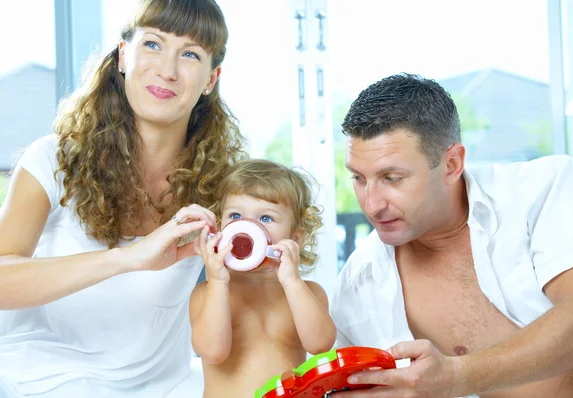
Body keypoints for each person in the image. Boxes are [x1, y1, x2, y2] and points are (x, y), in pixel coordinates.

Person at [0, 1, 246, 397]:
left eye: (189, 54)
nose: (167, 69)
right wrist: (129, 258)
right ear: (122, 56)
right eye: (153, 44)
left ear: (210, 79)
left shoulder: (224, 187)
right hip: (34, 383)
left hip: (162, 389)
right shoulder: (52, 160)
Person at [330, 73, 573, 397]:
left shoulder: (543, 191)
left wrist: (455, 378)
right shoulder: (356, 288)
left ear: (451, 164)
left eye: (392, 178)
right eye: (359, 178)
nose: (371, 205)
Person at [188, 159, 336, 397]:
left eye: (266, 218)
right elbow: (212, 351)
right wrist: (217, 281)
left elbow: (320, 346)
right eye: (235, 215)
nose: (248, 226)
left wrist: (292, 281)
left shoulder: (307, 292)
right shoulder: (207, 292)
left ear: (295, 237)